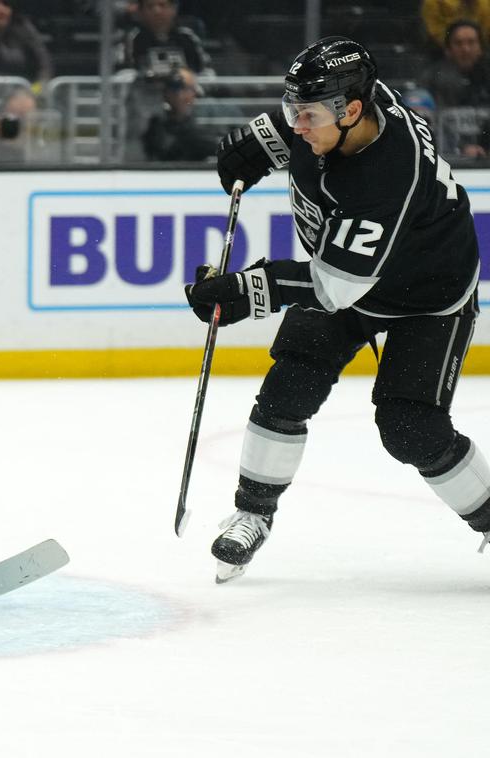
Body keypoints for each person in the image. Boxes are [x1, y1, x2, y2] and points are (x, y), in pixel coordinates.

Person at [185, 37, 489, 582]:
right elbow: (299, 118)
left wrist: (244, 292)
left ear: (352, 112)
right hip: (349, 271)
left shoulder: (388, 176)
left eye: (307, 117)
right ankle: (253, 513)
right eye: (291, 110)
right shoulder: (337, 113)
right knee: (289, 386)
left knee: (411, 428)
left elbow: (333, 289)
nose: (297, 126)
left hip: (428, 296)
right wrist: (264, 138)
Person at [423, 20, 490, 157]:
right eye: (459, 43)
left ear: (481, 48)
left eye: (471, 42)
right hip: (447, 159)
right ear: (448, 50)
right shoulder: (431, 80)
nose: (465, 49)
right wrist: (460, 148)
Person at [141, 67, 214, 161]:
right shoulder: (155, 126)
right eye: (170, 88)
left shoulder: (207, 120)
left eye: (180, 88)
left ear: (193, 92)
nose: (178, 94)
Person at [120, 0, 210, 76]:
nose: (157, 11)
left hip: (183, 91)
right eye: (150, 7)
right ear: (141, 12)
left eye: (162, 5)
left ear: (174, 9)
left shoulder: (187, 37)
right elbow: (128, 71)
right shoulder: (134, 39)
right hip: (145, 91)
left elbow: (203, 70)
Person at [422, 0, 490, 51]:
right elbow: (435, 32)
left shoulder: (485, 4)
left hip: (480, 52)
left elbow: (486, 33)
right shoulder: (435, 3)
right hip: (443, 52)